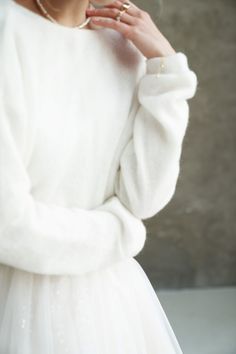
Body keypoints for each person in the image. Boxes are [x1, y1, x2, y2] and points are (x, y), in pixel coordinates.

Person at [0, 0, 197, 352]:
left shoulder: (124, 43)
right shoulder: (7, 29)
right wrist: (120, 232)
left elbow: (142, 198)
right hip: (12, 296)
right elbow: (8, 225)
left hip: (107, 302)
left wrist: (166, 73)